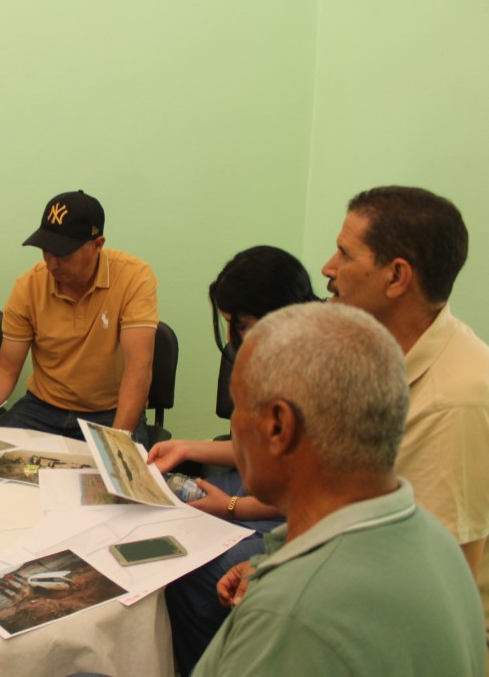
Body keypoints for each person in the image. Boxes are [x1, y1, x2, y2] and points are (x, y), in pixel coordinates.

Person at [193, 303, 484, 675]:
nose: (233, 423)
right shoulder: (435, 539)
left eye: (239, 405)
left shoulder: (290, 614)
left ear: (279, 426)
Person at [322, 185, 489, 644]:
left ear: (396, 277)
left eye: (343, 253)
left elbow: (433, 588)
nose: (328, 269)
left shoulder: (455, 401)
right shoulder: (381, 353)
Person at [146, 245, 318, 675]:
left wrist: (230, 507)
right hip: (283, 498)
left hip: (295, 514)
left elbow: (311, 494)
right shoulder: (298, 344)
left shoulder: (316, 369)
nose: (235, 337)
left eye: (239, 324)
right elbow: (261, 449)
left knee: (186, 563)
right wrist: (189, 447)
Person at [0, 190, 159, 444]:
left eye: (64, 254)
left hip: (110, 413)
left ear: (97, 245)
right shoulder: (29, 287)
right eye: (46, 251)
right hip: (41, 409)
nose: (52, 264)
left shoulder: (133, 278)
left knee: (118, 478)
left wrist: (117, 443)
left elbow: (138, 368)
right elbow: (6, 370)